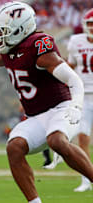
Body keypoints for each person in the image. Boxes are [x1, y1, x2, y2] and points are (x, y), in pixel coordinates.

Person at [0, 2, 93, 202]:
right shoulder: (11, 49)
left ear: (20, 29)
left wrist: (76, 105)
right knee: (14, 148)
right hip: (36, 116)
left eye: (2, 31)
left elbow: (73, 79)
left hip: (61, 108)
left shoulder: (38, 47)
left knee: (56, 140)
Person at [45, 8, 93, 192]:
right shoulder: (76, 41)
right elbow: (71, 65)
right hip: (84, 96)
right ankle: (86, 180)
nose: (91, 27)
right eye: (89, 24)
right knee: (82, 139)